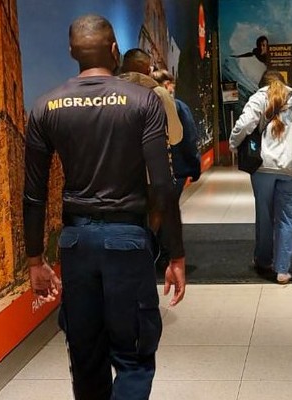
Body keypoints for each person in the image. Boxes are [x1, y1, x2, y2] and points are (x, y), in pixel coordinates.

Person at [23, 15, 186, 400]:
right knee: (133, 358)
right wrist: (176, 254)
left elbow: (34, 193)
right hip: (127, 240)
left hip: (76, 242)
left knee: (86, 357)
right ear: (114, 51)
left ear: (71, 53)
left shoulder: (46, 106)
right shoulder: (143, 100)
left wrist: (34, 260)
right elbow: (162, 185)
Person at [229, 70, 292, 284]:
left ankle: (263, 260)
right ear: (285, 82)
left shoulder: (258, 98)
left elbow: (243, 125)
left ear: (262, 83)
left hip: (262, 167)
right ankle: (282, 270)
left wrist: (233, 145)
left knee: (264, 215)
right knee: (287, 218)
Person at [151, 69, 202, 194]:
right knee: (170, 208)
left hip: (150, 170)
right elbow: (189, 138)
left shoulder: (143, 104)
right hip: (176, 168)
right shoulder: (178, 106)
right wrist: (195, 166)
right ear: (167, 84)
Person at [119, 48, 183, 147]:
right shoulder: (160, 94)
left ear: (122, 68)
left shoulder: (109, 91)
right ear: (149, 70)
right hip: (152, 157)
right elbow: (175, 136)